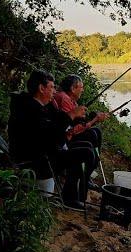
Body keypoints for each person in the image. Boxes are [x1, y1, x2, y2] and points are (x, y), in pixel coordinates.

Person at [8, 69, 94, 209]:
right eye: (52, 87)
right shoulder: (29, 109)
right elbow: (48, 136)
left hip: (44, 153)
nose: (55, 91)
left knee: (86, 148)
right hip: (36, 160)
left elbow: (56, 123)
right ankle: (71, 198)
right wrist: (71, 115)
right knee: (85, 153)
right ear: (41, 88)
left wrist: (74, 117)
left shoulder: (40, 106)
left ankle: (74, 196)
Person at [52, 75, 109, 151]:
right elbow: (70, 130)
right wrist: (94, 120)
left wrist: (94, 119)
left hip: (68, 135)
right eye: (81, 87)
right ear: (72, 88)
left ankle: (96, 160)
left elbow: (78, 123)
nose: (83, 90)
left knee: (96, 131)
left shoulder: (72, 101)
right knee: (92, 134)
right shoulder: (64, 99)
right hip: (64, 140)